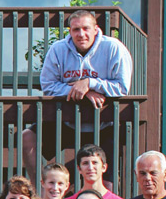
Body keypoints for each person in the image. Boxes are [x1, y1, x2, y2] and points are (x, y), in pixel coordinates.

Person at [21, 9, 133, 172]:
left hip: (105, 123)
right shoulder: (58, 50)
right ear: (70, 32)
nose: (81, 34)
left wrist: (90, 83)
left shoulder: (113, 48)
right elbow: (48, 86)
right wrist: (81, 90)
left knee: (106, 184)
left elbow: (122, 87)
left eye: (86, 28)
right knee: (27, 137)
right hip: (66, 121)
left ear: (95, 30)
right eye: (76, 29)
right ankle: (40, 189)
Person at [62, 145, 126, 199]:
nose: (90, 167)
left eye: (94, 163)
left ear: (104, 167)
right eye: (85, 163)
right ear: (79, 169)